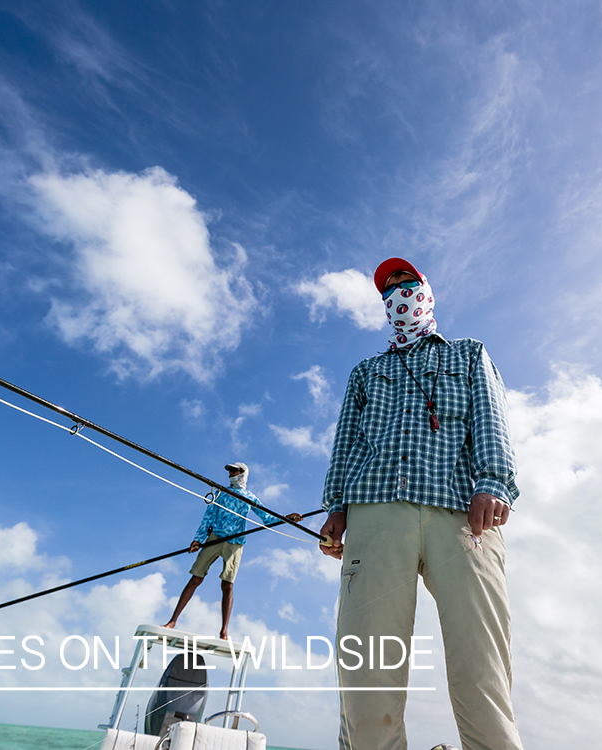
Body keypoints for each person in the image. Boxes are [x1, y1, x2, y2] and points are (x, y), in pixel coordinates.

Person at [319, 258, 525, 750]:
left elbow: (492, 420)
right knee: (367, 665)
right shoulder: (365, 372)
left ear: (427, 292)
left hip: (462, 512)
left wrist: (494, 483)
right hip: (375, 509)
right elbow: (346, 444)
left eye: (407, 283)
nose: (399, 294)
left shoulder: (469, 353)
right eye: (388, 291)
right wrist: (336, 507)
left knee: (483, 663)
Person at [164, 462, 303, 641]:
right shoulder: (222, 493)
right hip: (215, 537)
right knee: (195, 578)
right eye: (229, 471)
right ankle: (172, 621)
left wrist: (287, 518)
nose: (230, 474)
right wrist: (198, 539)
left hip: (235, 542)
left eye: (234, 471)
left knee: (227, 585)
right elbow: (208, 515)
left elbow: (266, 519)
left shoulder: (250, 497)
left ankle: (224, 632)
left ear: (243, 474)